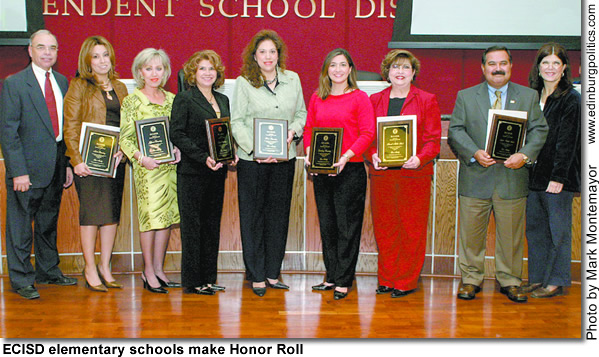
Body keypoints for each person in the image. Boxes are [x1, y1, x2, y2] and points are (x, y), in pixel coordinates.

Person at [448, 46, 548, 303]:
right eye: (491, 63)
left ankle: (511, 280)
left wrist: (524, 155)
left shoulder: (527, 96)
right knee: (470, 236)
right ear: (483, 68)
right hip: (475, 176)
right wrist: (474, 152)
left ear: (511, 66)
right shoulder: (466, 96)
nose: (497, 68)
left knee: (511, 237)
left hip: (511, 178)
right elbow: (456, 131)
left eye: (503, 62)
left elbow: (539, 131)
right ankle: (470, 279)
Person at [0, 29, 76, 299]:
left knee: (48, 222)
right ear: (30, 51)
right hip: (26, 169)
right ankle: (21, 279)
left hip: (55, 165)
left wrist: (67, 164)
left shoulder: (62, 81)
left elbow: (64, 128)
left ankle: (48, 271)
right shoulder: (14, 83)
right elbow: (8, 132)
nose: (47, 52)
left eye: (52, 48)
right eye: (41, 47)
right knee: (21, 226)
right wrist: (18, 171)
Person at [231, 29, 307, 297]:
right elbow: (236, 122)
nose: (267, 56)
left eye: (272, 52)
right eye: (262, 51)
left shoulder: (293, 80)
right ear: (254, 55)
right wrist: (255, 149)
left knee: (278, 216)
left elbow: (301, 113)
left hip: (284, 160)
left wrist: (292, 132)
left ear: (279, 55)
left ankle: (273, 273)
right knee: (253, 218)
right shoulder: (243, 82)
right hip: (252, 162)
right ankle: (256, 274)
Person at [368, 50, 441, 298]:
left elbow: (433, 141)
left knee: (412, 229)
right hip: (383, 176)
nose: (400, 72)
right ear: (387, 72)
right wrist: (372, 155)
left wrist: (419, 158)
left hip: (414, 175)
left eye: (405, 68)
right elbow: (368, 137)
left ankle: (406, 280)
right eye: (395, 67)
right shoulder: (374, 100)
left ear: (413, 73)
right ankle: (387, 278)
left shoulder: (427, 99)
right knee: (385, 228)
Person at [304, 48, 375, 300]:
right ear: (326, 70)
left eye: (343, 65)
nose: (337, 69)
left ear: (350, 69)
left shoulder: (360, 98)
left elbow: (368, 133)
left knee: (347, 227)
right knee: (328, 226)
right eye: (332, 65)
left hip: (350, 169)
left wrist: (345, 157)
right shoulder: (317, 97)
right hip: (323, 171)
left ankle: (344, 279)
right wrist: (311, 153)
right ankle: (332, 276)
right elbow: (310, 128)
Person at [63, 36, 128, 292]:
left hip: (115, 162)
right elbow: (70, 126)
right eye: (96, 56)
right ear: (88, 61)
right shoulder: (79, 85)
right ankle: (89, 267)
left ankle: (105, 266)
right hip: (88, 162)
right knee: (91, 215)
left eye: (105, 55)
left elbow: (128, 124)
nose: (102, 61)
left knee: (111, 215)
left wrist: (123, 148)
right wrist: (75, 160)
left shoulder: (121, 87)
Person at [171, 50, 237, 295]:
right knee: (193, 227)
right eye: (202, 69)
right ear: (193, 73)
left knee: (211, 225)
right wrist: (203, 158)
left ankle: (209, 278)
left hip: (217, 173)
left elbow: (223, 134)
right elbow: (177, 134)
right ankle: (193, 281)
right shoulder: (185, 99)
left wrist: (231, 152)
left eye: (212, 69)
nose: (208, 73)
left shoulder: (223, 100)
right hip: (192, 172)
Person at [119, 48, 181, 294]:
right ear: (139, 72)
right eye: (149, 68)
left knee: (165, 219)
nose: (154, 73)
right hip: (147, 170)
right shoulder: (132, 101)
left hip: (169, 170)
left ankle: (158, 268)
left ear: (165, 72)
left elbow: (176, 133)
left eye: (159, 68)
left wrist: (177, 149)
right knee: (150, 220)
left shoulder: (172, 99)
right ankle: (147, 271)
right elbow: (126, 139)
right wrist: (141, 158)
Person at [522, 43, 580, 298]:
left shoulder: (571, 99)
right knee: (535, 229)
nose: (550, 68)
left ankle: (555, 281)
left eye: (556, 63)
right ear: (539, 66)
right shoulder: (531, 95)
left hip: (557, 178)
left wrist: (558, 177)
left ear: (564, 67)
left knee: (558, 231)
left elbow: (568, 142)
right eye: (546, 62)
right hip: (532, 176)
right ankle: (537, 278)